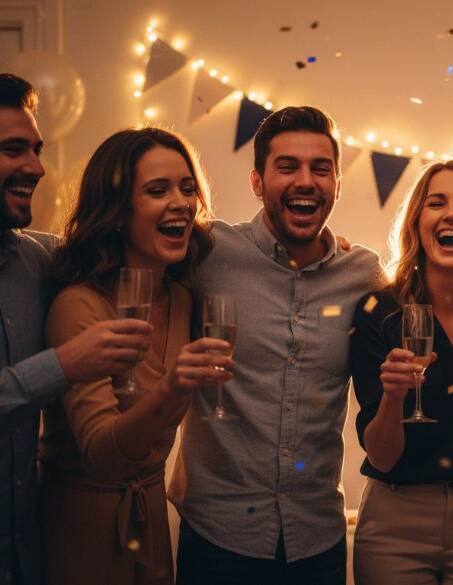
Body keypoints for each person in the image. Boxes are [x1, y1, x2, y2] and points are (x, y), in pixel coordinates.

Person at [169, 106, 381, 585]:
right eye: (287, 166)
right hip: (216, 538)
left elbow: (437, 290)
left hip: (317, 541)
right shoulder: (205, 253)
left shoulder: (363, 273)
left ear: (338, 184)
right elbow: (123, 249)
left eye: (320, 168)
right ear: (257, 182)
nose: (306, 181)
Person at [40, 127, 233, 585]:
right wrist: (173, 387)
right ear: (118, 212)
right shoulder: (79, 305)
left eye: (188, 188)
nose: (182, 203)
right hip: (82, 524)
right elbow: (103, 454)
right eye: (157, 190)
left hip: (149, 517)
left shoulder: (185, 299)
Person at [0, 74, 153, 585]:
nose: (36, 167)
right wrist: (63, 365)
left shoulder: (38, 259)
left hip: (31, 552)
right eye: (13, 150)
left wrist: (299, 240)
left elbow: (118, 230)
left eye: (36, 150)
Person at [349, 159, 453, 585]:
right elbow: (382, 456)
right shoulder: (380, 314)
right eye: (436, 203)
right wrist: (392, 397)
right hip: (395, 523)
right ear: (416, 222)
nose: (451, 214)